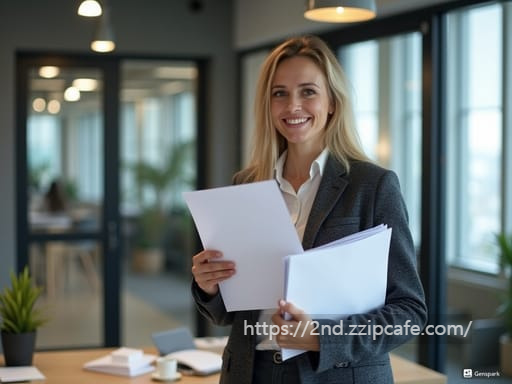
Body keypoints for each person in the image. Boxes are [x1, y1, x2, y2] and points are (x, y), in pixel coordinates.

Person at [191, 35, 427, 384]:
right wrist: (209, 286)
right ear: (267, 105)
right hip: (250, 372)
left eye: (308, 91)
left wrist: (321, 337)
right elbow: (230, 314)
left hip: (335, 375)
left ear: (332, 102)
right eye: (280, 93)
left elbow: (409, 311)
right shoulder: (246, 184)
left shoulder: (373, 185)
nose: (292, 106)